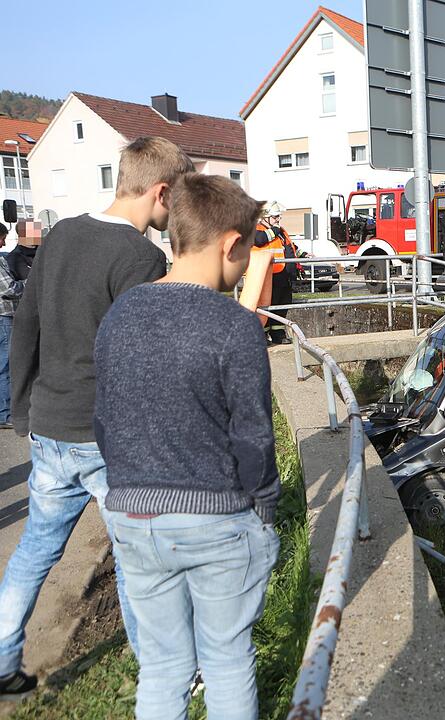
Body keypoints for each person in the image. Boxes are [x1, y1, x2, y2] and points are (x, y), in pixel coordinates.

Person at [1, 136, 194, 699]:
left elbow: (26, 325)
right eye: (174, 201)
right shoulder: (141, 258)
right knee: (138, 562)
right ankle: (157, 676)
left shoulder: (60, 235)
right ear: (160, 192)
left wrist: (22, 411)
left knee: (35, 550)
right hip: (105, 438)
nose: (174, 215)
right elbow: (147, 361)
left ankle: (2, 662)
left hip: (49, 427)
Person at [94, 173, 279, 718]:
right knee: (225, 661)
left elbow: (104, 419)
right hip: (217, 521)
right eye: (246, 250)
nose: (246, 264)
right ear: (230, 243)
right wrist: (266, 509)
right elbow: (253, 435)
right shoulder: (234, 326)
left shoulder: (120, 313)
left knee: (163, 667)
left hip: (132, 515)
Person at [254, 201, 296, 344]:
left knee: (282, 305)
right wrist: (275, 231)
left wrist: (303, 254)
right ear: (265, 217)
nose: (278, 219)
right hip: (267, 276)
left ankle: (278, 335)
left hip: (284, 275)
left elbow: (291, 245)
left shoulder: (280, 231)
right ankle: (263, 336)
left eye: (279, 216)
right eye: (275, 216)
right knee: (266, 306)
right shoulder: (256, 229)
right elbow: (259, 240)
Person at [0, 249, 25, 430]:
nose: (3, 242)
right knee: (5, 365)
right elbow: (9, 288)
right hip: (4, 316)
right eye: (2, 238)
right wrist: (28, 283)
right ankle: (5, 414)